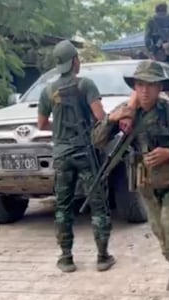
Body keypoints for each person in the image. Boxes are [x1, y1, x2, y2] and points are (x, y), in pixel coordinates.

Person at [91, 60, 169, 292]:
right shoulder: (126, 112)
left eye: (150, 85)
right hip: (145, 182)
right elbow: (97, 140)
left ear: (160, 88)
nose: (144, 90)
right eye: (139, 84)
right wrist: (112, 119)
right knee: (159, 231)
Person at [37, 40, 114, 273]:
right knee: (98, 203)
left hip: (61, 155)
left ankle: (66, 257)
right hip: (86, 153)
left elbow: (41, 125)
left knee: (62, 206)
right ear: (75, 61)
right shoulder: (85, 85)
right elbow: (100, 116)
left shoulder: (48, 91)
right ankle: (102, 256)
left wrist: (59, 130)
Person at [144, 2, 169, 69]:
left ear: (156, 10)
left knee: (158, 69)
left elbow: (147, 38)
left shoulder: (151, 21)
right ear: (166, 9)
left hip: (157, 51)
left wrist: (151, 50)